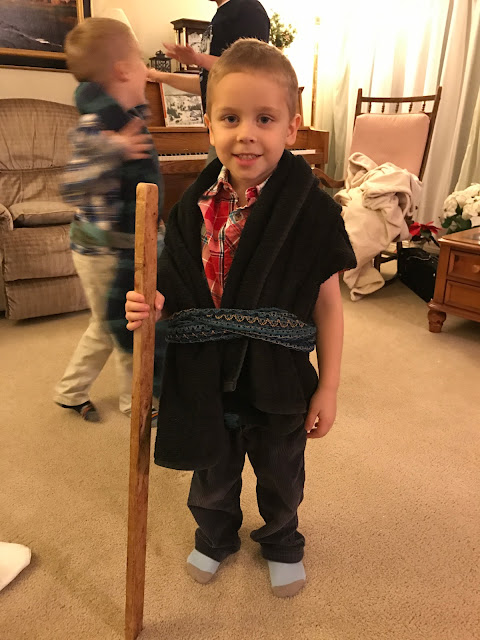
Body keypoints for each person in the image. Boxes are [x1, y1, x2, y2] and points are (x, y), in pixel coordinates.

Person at [124, 39, 356, 597]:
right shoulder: (191, 206)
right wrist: (152, 305)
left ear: (291, 128)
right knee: (211, 470)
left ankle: (281, 539)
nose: (246, 133)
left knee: (281, 470)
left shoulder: (313, 212)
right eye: (230, 118)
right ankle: (214, 536)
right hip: (206, 371)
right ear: (208, 125)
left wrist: (328, 387)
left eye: (265, 119)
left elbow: (327, 303)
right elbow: (176, 285)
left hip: (277, 374)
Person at [54, 18, 163, 422]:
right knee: (123, 323)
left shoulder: (127, 117)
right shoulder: (95, 128)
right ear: (122, 70)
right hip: (100, 250)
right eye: (141, 62)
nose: (147, 71)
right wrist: (113, 148)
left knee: (112, 322)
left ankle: (72, 391)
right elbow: (70, 187)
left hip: (120, 245)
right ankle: (135, 402)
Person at [148, 0, 270, 154]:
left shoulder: (249, 9)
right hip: (220, 133)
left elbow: (249, 70)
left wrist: (197, 59)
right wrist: (158, 76)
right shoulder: (221, 15)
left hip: (241, 136)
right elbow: (206, 85)